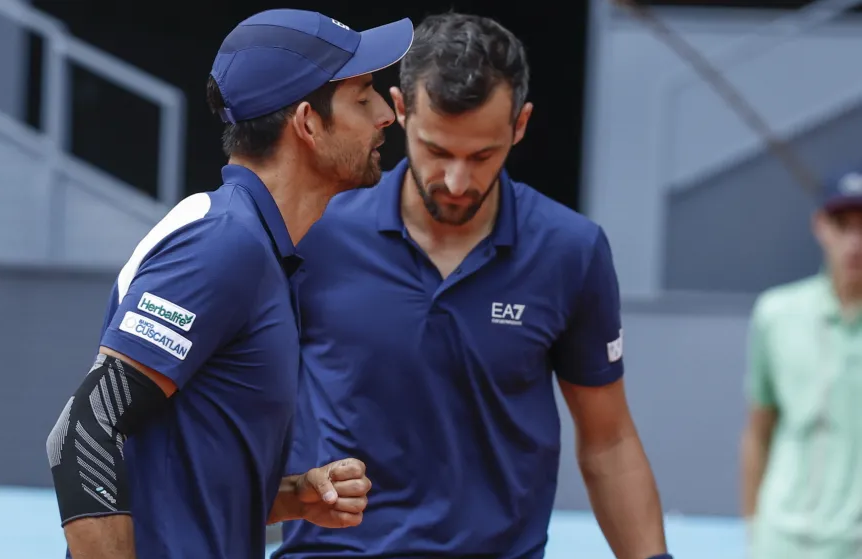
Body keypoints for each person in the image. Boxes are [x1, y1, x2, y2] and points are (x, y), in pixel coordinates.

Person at [273, 11, 671, 559]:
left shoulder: (570, 250)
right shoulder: (314, 232)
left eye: (482, 155)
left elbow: (609, 442)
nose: (458, 181)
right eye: (437, 151)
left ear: (520, 125)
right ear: (400, 111)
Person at [44, 9, 412, 559]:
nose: (386, 114)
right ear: (308, 122)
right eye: (363, 98)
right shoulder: (224, 245)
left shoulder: (256, 247)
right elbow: (81, 434)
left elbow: (179, 484)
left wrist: (292, 496)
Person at [741, 167, 862, 559]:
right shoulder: (776, 314)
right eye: (842, 225)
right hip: (781, 541)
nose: (854, 242)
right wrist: (755, 527)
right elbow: (759, 429)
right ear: (820, 226)